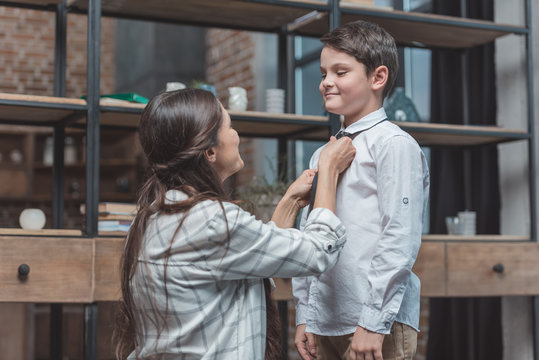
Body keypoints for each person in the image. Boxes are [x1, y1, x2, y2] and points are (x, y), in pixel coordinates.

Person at [114, 88, 357, 360]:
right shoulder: (210, 220)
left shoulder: (149, 217)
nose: (236, 135)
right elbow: (319, 251)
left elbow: (252, 262)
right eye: (229, 125)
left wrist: (289, 202)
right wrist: (329, 172)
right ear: (209, 151)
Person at [293, 20, 430, 360]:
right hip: (324, 321)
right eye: (324, 72)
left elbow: (399, 237)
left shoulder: (394, 144)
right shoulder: (321, 154)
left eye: (340, 72)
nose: (326, 82)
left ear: (377, 77)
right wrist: (304, 315)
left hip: (375, 324)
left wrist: (373, 322)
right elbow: (309, 236)